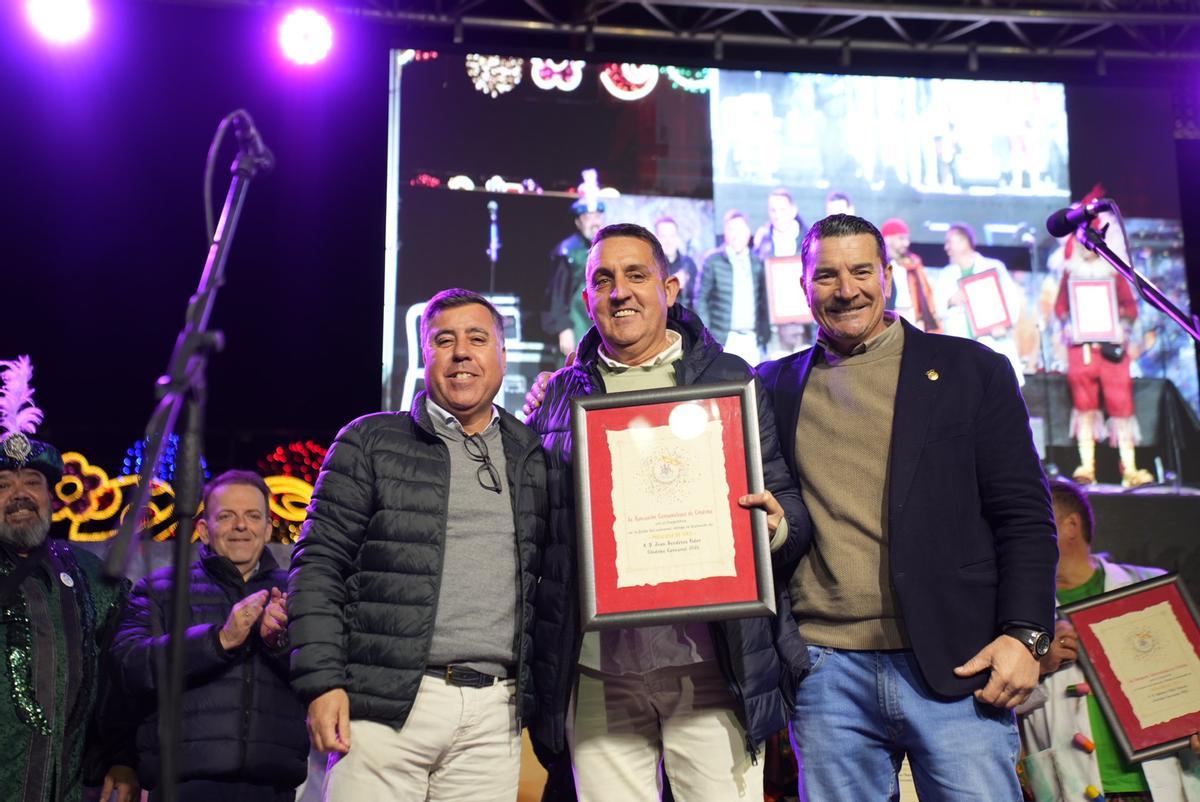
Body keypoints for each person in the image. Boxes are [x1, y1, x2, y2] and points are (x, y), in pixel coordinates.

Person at [756, 214, 1058, 801]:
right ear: (802, 287)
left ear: (888, 276)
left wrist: (1027, 636)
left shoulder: (974, 371)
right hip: (827, 673)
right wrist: (559, 388)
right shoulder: (772, 387)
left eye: (862, 271)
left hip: (957, 663)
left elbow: (1023, 515)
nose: (847, 289)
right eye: (827, 276)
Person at [525, 222, 812, 802]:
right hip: (598, 670)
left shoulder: (731, 379)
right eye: (603, 280)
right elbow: (538, 529)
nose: (619, 292)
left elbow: (792, 513)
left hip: (711, 665)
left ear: (671, 288)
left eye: (636, 275)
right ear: (587, 300)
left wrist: (774, 527)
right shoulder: (559, 395)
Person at [289, 289, 547, 801]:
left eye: (477, 339)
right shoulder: (370, 441)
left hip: (495, 714)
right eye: (443, 340)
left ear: (502, 353)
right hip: (381, 707)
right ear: (422, 355)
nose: (461, 353)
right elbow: (317, 566)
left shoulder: (532, 453)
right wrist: (321, 683)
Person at [110, 470, 307, 802]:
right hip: (182, 787)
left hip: (271, 788)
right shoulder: (160, 589)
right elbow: (127, 665)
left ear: (268, 528)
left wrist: (279, 643)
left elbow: (330, 674)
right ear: (203, 530)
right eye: (226, 516)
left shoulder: (298, 592)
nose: (241, 526)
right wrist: (219, 639)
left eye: (253, 516)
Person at [0, 356, 137, 802]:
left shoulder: (95, 577)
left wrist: (124, 756)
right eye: (3, 484)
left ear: (53, 499)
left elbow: (124, 678)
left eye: (32, 482)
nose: (19, 494)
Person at [1018, 479, 1200, 801]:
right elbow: (990, 703)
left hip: (1163, 778)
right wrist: (1038, 666)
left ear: (1070, 525)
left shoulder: (1148, 585)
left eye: (1029, 524)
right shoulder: (1014, 609)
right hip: (1073, 784)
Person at [1054, 218, 1152, 487]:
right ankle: (1087, 466)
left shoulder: (1114, 272)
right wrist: (1067, 326)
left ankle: (1130, 468)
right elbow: (1061, 308)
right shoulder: (1069, 273)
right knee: (1084, 405)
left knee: (1121, 403)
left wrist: (1122, 328)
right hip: (1082, 350)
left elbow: (1130, 309)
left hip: (1111, 351)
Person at [936, 222, 1027, 385]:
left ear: (964, 242)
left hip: (993, 341)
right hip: (961, 347)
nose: (946, 247)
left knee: (999, 395)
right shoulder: (946, 275)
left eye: (949, 242)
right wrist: (950, 301)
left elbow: (1011, 301)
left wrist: (1005, 324)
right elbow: (937, 309)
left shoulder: (994, 267)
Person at [694, 210, 771, 364]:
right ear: (725, 233)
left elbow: (764, 302)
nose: (736, 235)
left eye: (740, 230)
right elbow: (700, 300)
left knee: (753, 385)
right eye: (731, 230)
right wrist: (709, 336)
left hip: (752, 339)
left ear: (748, 232)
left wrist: (763, 335)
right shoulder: (713, 261)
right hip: (724, 339)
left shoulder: (757, 262)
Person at [545, 197, 606, 356]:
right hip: (577, 324)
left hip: (599, 324)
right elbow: (557, 294)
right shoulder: (568, 251)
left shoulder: (606, 247)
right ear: (578, 222)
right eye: (588, 217)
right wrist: (564, 328)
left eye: (597, 216)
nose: (594, 222)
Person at [880, 217, 941, 332]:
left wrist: (922, 318)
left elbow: (926, 293)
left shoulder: (913, 263)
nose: (906, 243)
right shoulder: (879, 265)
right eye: (901, 239)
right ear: (888, 239)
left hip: (913, 317)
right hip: (888, 318)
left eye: (907, 239)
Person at [753, 188, 807, 261]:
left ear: (794, 211)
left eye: (782, 209)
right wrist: (756, 247)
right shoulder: (763, 241)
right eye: (773, 210)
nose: (777, 215)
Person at [654, 216, 697, 295]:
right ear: (656, 238)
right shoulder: (649, 265)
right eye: (663, 236)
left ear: (677, 237)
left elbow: (698, 296)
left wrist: (687, 285)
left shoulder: (688, 263)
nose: (668, 241)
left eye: (672, 236)